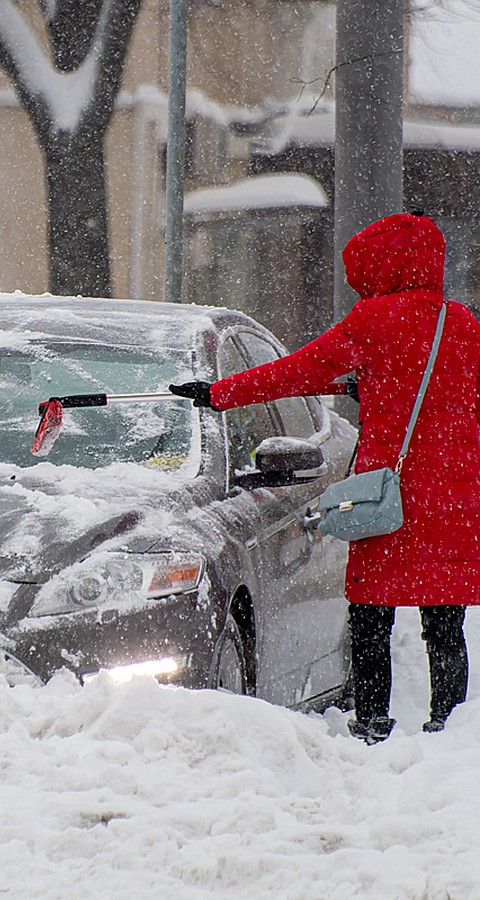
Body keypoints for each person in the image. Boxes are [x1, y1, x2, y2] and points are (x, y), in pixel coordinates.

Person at [170, 212, 480, 744]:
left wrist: (220, 393)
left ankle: (374, 724)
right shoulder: (463, 324)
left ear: (381, 265)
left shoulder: (371, 322)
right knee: (444, 617)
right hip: (454, 491)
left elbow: (298, 371)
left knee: (370, 609)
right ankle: (447, 729)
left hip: (390, 489)